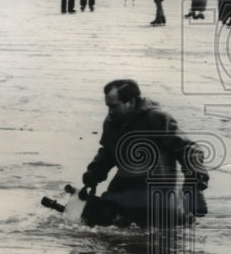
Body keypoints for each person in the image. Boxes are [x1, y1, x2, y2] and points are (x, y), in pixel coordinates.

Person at [79, 79, 209, 228]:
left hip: (158, 189)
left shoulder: (157, 118)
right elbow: (108, 152)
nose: (110, 112)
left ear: (131, 102)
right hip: (125, 184)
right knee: (98, 221)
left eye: (114, 106)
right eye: (108, 107)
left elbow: (189, 150)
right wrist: (93, 173)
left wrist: (195, 182)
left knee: (163, 233)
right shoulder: (110, 122)